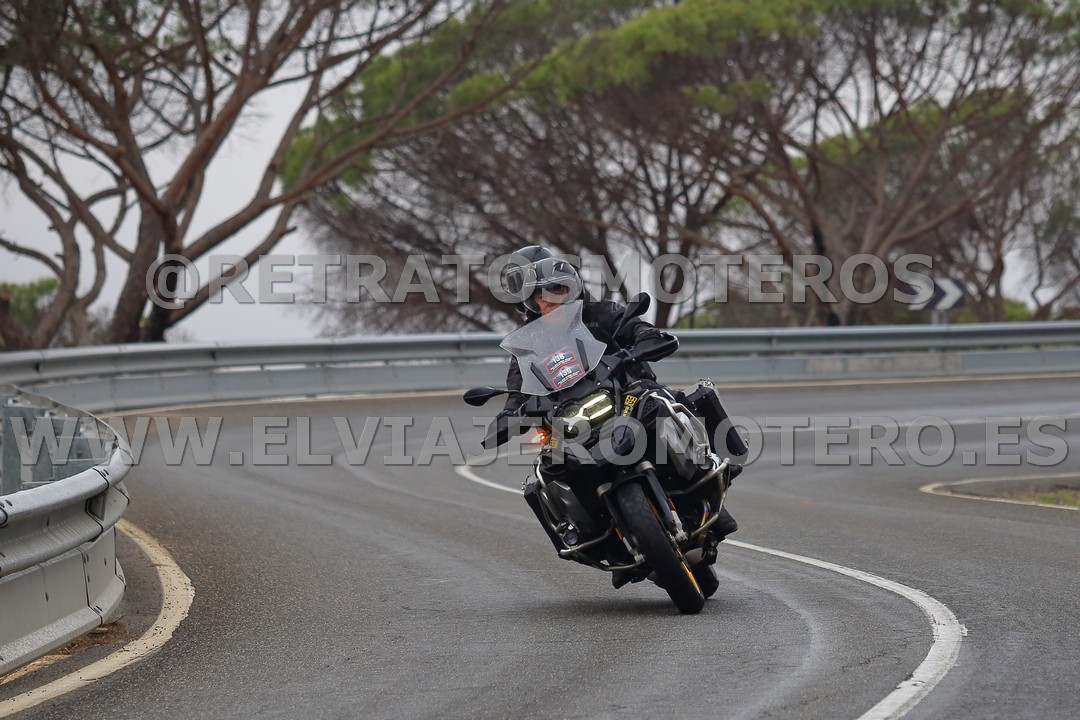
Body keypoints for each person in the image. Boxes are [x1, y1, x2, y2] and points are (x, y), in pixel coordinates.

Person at [495, 245, 738, 587]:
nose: (547, 303)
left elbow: (633, 326)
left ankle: (707, 467)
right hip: (574, 421)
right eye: (538, 299)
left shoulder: (600, 313)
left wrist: (646, 337)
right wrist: (509, 414)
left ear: (571, 287)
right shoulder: (528, 344)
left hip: (627, 396)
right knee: (544, 470)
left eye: (554, 291)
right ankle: (595, 536)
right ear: (528, 305)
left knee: (673, 399)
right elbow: (517, 387)